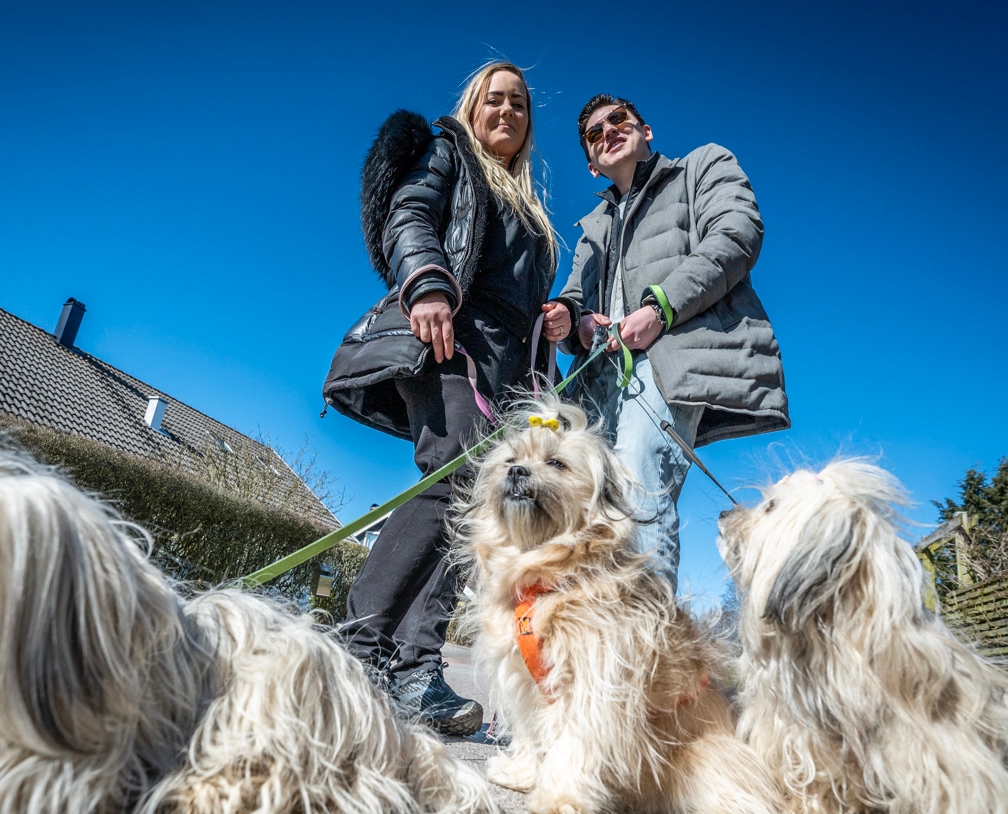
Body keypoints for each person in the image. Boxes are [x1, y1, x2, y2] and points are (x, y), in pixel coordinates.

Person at [323, 62, 573, 735]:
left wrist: (552, 326)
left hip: (507, 377)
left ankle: (412, 668)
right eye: (494, 99)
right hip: (447, 341)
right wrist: (427, 281)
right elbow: (408, 215)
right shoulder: (450, 152)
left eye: (518, 103)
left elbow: (520, 300)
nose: (506, 111)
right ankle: (357, 649)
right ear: (473, 106)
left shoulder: (531, 210)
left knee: (477, 512)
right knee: (452, 480)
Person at [556, 95, 789, 591]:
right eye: (594, 134)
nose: (608, 132)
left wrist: (659, 309)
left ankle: (650, 654)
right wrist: (574, 322)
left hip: (669, 361)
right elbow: (576, 298)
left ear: (646, 130)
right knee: (579, 511)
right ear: (592, 165)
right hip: (596, 386)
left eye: (618, 120)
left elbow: (737, 234)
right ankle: (589, 648)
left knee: (640, 488)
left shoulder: (702, 166)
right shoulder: (590, 231)